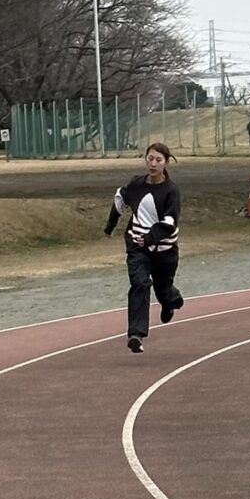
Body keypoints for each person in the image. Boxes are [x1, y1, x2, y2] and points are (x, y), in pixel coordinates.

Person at [104, 142, 183, 353]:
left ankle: (170, 301)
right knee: (140, 283)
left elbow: (169, 223)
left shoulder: (171, 191)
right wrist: (110, 227)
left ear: (166, 163)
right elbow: (119, 200)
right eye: (150, 159)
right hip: (137, 248)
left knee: (163, 289)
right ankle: (136, 335)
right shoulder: (136, 185)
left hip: (165, 250)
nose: (153, 163)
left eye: (158, 160)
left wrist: (149, 238)